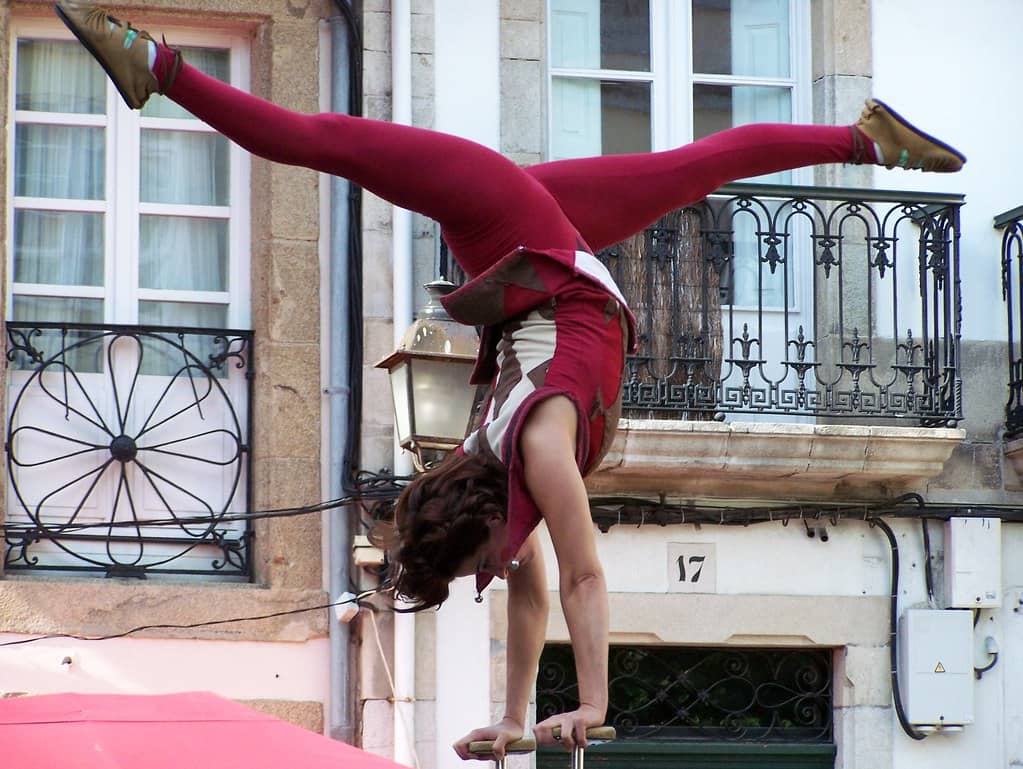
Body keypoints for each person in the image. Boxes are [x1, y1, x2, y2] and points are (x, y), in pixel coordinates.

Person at [55, 0, 966, 760]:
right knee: (696, 168)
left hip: (502, 225)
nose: (494, 573)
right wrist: (521, 716)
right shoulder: (518, 464)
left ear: (486, 519)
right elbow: (547, 586)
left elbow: (577, 580)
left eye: (479, 562)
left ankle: (161, 69)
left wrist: (587, 703)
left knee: (323, 141)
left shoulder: (531, 441)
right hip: (546, 251)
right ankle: (864, 135)